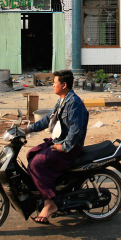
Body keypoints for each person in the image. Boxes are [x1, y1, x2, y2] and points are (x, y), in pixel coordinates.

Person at [23, 69, 89, 224]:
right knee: (31, 155)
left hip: (70, 147)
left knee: (37, 163)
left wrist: (64, 147)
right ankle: (51, 188)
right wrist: (27, 129)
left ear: (64, 85)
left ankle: (49, 203)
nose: (52, 85)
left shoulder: (74, 103)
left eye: (54, 83)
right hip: (59, 141)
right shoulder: (63, 100)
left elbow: (76, 130)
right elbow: (48, 119)